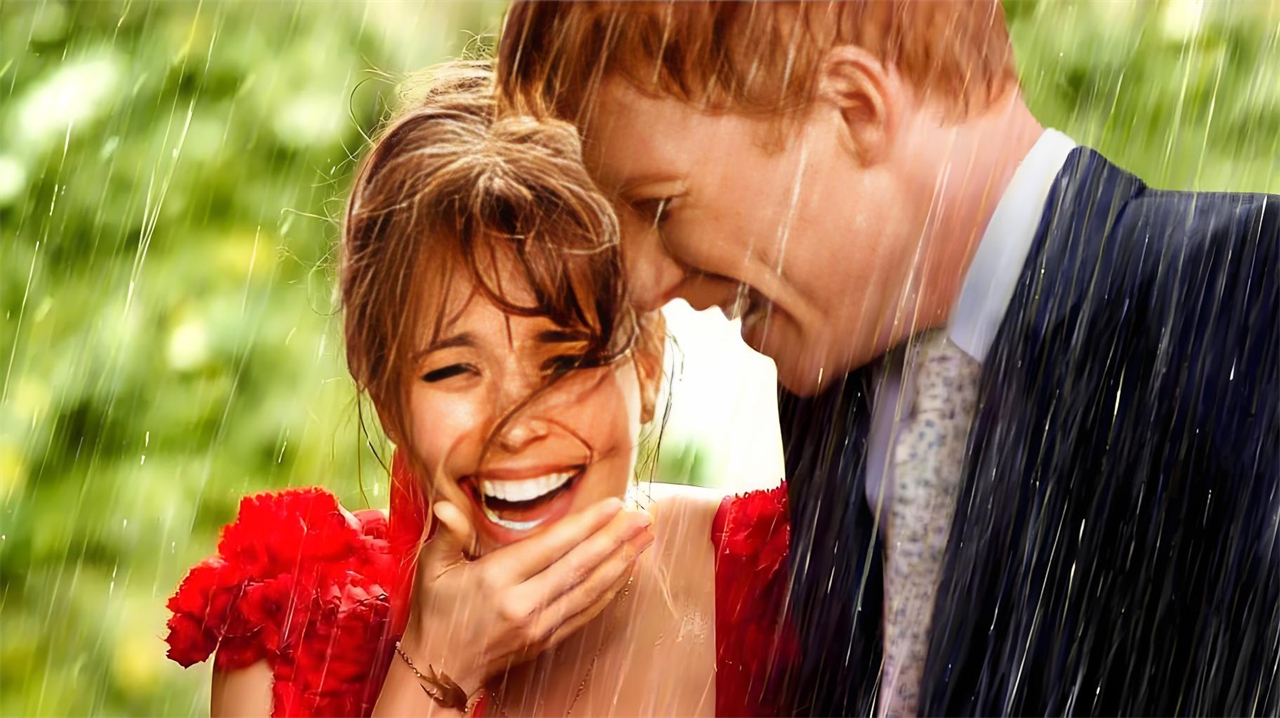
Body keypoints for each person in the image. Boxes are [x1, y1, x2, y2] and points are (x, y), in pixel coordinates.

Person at [494, 2, 1280, 716]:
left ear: (854, 108)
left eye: (659, 206)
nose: (639, 284)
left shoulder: (1244, 308)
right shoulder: (828, 403)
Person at [163, 62, 797, 718]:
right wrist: (439, 663)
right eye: (454, 370)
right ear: (388, 399)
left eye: (563, 362)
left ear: (646, 363)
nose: (514, 426)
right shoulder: (290, 638)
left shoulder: (785, 587)